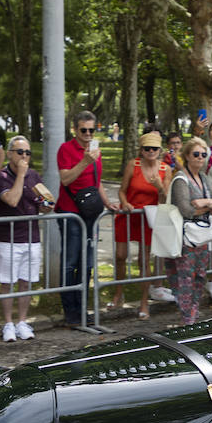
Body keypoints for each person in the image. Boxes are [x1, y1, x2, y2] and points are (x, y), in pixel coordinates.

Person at [55, 110, 119, 327]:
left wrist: (107, 201)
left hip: (91, 212)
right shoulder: (66, 149)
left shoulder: (95, 150)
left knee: (87, 262)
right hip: (70, 211)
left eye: (92, 130)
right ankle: (70, 310)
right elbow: (65, 179)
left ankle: (82, 308)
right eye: (84, 130)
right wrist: (84, 161)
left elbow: (97, 180)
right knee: (70, 261)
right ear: (75, 129)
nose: (88, 134)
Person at [0, 136, 52, 341]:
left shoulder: (34, 176)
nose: (24, 156)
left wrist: (46, 206)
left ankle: (22, 321)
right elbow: (11, 199)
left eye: (28, 152)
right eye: (20, 152)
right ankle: (8, 323)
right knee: (8, 282)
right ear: (10, 154)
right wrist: (21, 175)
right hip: (8, 239)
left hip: (32, 237)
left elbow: (43, 204)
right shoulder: (1, 176)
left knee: (26, 282)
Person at [112, 131, 170, 319]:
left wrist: (159, 186)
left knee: (144, 260)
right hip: (129, 214)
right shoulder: (133, 165)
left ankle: (144, 302)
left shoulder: (165, 169)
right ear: (141, 150)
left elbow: (166, 197)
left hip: (149, 217)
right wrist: (126, 203)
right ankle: (118, 293)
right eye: (147, 149)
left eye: (154, 148)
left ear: (160, 150)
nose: (151, 151)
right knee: (120, 255)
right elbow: (122, 191)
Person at [166, 139, 212, 324]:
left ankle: (194, 311)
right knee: (185, 277)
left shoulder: (204, 178)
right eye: (196, 154)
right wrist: (209, 205)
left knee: (200, 275)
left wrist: (204, 203)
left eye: (204, 154)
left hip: (201, 236)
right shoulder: (181, 179)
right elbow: (186, 210)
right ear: (187, 156)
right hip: (185, 237)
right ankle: (187, 316)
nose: (200, 158)